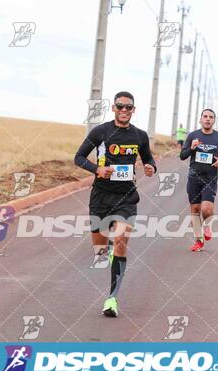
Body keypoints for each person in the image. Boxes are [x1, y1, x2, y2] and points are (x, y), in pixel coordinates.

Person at [74, 91, 157, 317]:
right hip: (101, 196)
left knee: (120, 240)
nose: (124, 110)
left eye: (128, 107)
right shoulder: (101, 131)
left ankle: (112, 299)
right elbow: (78, 158)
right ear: (113, 108)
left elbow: (148, 159)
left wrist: (151, 168)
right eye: (120, 106)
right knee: (100, 249)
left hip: (127, 197)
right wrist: (97, 169)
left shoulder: (140, 136)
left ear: (133, 110)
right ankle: (108, 250)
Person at [180, 109, 218, 252]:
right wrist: (192, 148)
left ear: (214, 120)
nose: (208, 119)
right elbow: (182, 156)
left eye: (211, 117)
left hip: (210, 178)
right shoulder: (193, 136)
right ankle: (198, 241)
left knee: (206, 209)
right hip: (194, 177)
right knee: (195, 209)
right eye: (205, 117)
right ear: (200, 119)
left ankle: (207, 226)